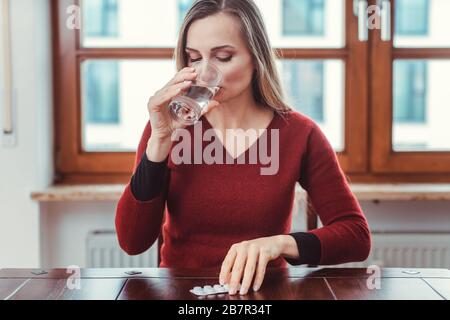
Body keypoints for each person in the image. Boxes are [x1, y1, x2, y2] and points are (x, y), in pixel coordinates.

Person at [115, 0, 371, 296]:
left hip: (264, 294)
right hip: (183, 293)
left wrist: (280, 243)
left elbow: (356, 236)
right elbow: (131, 241)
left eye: (223, 57)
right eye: (193, 58)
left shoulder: (299, 134)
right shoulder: (169, 127)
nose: (203, 72)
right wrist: (159, 141)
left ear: (255, 57)